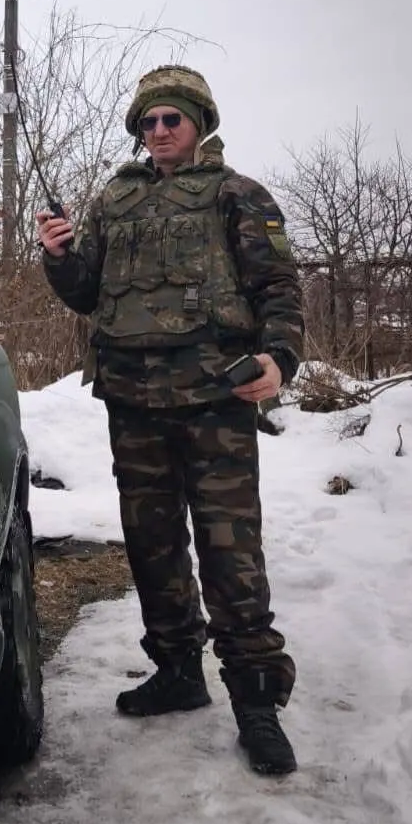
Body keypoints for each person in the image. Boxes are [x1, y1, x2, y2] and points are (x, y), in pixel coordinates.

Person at [35, 64, 304, 776]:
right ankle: (178, 672)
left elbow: (278, 287)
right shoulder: (112, 201)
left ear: (197, 123)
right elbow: (87, 293)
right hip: (132, 402)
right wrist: (59, 257)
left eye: (169, 120)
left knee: (228, 550)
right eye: (146, 122)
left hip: (215, 399)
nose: (157, 132)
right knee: (150, 543)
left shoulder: (236, 195)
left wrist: (279, 357)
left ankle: (254, 700)